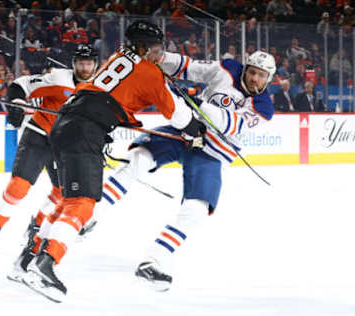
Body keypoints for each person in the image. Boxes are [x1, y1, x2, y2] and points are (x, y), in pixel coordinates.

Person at [18, 20, 206, 303]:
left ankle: (25, 261)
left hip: (65, 124)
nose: (159, 55)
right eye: (155, 49)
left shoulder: (118, 57)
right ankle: (45, 265)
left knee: (67, 199)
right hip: (85, 131)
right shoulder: (151, 73)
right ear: (142, 47)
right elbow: (178, 117)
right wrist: (196, 129)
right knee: (82, 203)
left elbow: (118, 94)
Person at [86, 49, 276, 292]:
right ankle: (89, 214)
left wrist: (197, 102)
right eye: (252, 72)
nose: (254, 79)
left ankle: (154, 259)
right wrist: (161, 57)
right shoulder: (228, 69)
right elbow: (189, 67)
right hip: (186, 132)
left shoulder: (263, 107)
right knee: (138, 158)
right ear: (245, 68)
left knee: (196, 209)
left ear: (269, 78)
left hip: (212, 153)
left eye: (261, 76)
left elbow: (229, 124)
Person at [0, 44, 99, 245]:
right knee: (19, 185)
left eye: (89, 64)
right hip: (39, 135)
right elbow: (20, 85)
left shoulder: (99, 88)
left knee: (63, 192)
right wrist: (17, 102)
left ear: (95, 65)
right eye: (81, 63)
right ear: (74, 64)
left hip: (65, 145)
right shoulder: (58, 79)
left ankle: (37, 226)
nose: (85, 68)